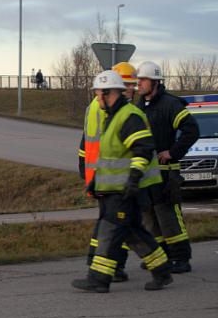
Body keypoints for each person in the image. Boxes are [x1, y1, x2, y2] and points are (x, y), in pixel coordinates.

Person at [72, 70, 173, 293]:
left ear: (109, 93)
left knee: (109, 231)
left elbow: (143, 150)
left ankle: (98, 279)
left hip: (126, 189)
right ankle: (162, 270)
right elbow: (111, 157)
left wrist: (133, 179)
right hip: (114, 189)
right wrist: (96, 182)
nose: (98, 99)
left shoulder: (129, 116)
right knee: (133, 232)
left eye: (99, 95)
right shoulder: (114, 116)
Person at [136, 61, 200, 274]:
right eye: (138, 80)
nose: (139, 84)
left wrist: (172, 152)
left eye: (142, 80)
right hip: (147, 174)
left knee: (169, 217)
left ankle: (182, 259)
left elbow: (191, 130)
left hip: (166, 172)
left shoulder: (170, 104)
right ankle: (161, 257)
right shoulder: (138, 106)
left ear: (155, 82)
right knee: (151, 218)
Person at [81, 62, 137, 282]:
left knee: (108, 222)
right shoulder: (110, 107)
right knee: (116, 224)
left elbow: (85, 143)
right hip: (110, 175)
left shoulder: (95, 104)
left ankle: (98, 261)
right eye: (128, 84)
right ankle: (112, 267)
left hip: (101, 173)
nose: (132, 89)